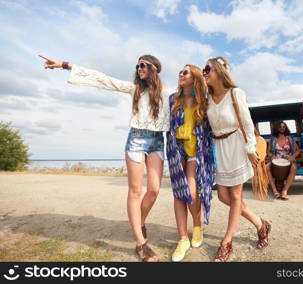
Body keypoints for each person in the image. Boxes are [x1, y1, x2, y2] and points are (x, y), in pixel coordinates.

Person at [39, 54, 171, 262]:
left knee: (154, 190)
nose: (138, 68)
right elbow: (102, 79)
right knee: (135, 191)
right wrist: (65, 65)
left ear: (154, 68)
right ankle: (141, 243)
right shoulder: (134, 89)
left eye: (142, 65)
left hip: (157, 141)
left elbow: (192, 97)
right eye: (137, 65)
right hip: (136, 139)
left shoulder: (168, 94)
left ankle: (139, 223)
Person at [204, 56, 271, 262]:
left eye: (207, 68)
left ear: (219, 71)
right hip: (219, 148)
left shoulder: (235, 93)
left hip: (236, 145)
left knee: (235, 197)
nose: (204, 72)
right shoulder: (206, 98)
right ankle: (260, 223)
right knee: (223, 196)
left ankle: (226, 242)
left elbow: (247, 122)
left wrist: (250, 147)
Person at [166, 64, 215, 262]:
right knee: (179, 193)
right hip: (176, 150)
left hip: (197, 151)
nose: (180, 74)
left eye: (185, 72)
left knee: (190, 187)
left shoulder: (204, 101)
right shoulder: (172, 99)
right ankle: (183, 239)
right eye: (180, 71)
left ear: (194, 77)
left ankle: (197, 225)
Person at [267, 121, 300, 200]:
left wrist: (293, 156)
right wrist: (271, 156)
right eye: (280, 127)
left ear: (286, 128)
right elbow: (268, 151)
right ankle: (275, 190)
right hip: (276, 160)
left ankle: (284, 191)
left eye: (284, 127)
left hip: (288, 159)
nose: (282, 128)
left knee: (294, 168)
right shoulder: (273, 139)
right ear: (277, 128)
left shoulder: (290, 138)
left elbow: (298, 150)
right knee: (266, 167)